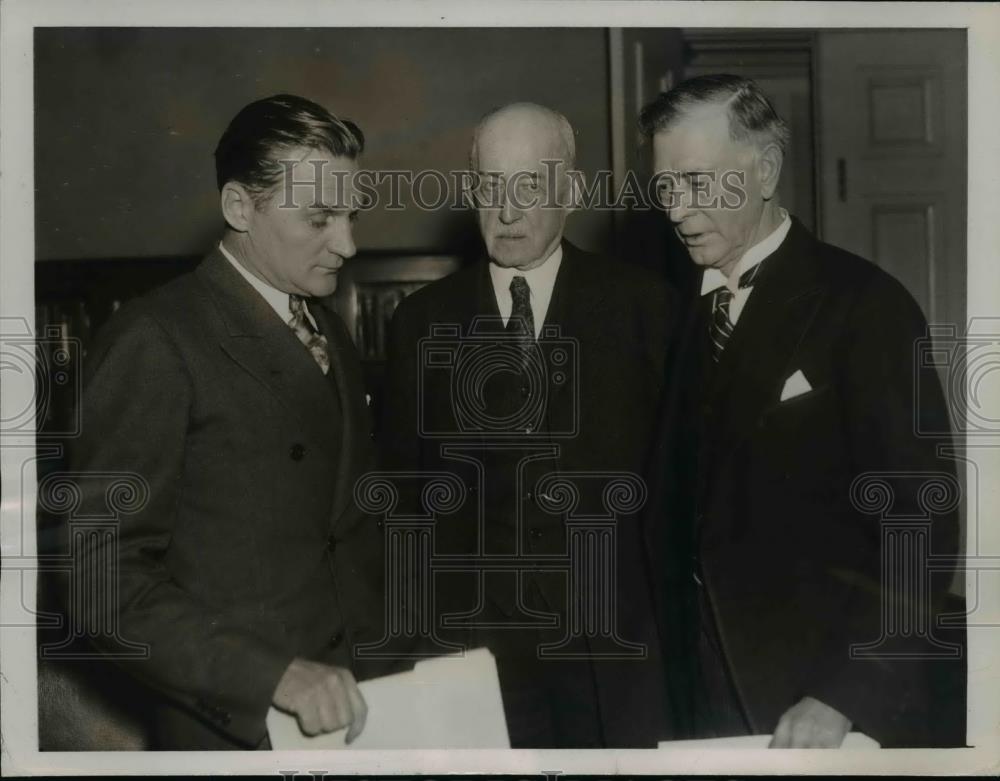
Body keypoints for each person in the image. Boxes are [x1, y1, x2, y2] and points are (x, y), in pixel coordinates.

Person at [640, 74, 965, 748]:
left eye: (697, 182)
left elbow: (921, 520)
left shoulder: (864, 304)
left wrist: (844, 693)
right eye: (666, 186)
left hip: (820, 708)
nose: (677, 209)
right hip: (700, 700)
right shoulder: (677, 316)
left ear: (765, 170)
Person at [68, 94, 386, 749]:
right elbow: (101, 581)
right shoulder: (154, 338)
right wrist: (273, 676)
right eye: (319, 218)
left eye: (351, 215)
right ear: (240, 207)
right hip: (241, 727)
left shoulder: (329, 330)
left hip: (358, 706)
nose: (347, 244)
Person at [380, 102, 674, 748]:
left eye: (530, 186)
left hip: (614, 655)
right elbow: (402, 505)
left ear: (571, 191)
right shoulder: (421, 323)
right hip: (474, 660)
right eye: (490, 186)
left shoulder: (646, 309)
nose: (507, 210)